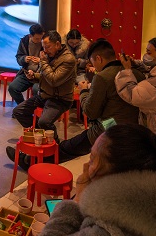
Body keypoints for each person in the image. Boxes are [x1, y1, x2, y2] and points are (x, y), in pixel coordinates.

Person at [7, 38, 142, 171]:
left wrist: (83, 91)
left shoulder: (101, 76)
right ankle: (36, 149)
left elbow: (90, 112)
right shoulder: (134, 73)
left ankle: (28, 161)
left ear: (99, 59)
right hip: (132, 127)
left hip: (108, 125)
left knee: (67, 146)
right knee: (21, 111)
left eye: (93, 62)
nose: (94, 67)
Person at [7, 29, 76, 154]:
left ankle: (56, 148)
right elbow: (45, 76)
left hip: (60, 99)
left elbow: (54, 80)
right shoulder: (50, 55)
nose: (45, 50)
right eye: (43, 47)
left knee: (44, 121)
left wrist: (43, 62)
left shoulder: (68, 59)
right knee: (18, 111)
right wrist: (33, 76)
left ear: (57, 44)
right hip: (45, 95)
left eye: (48, 47)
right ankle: (41, 136)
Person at [115, 36, 156, 133]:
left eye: (149, 53)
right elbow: (152, 69)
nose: (146, 55)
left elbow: (132, 94)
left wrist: (127, 70)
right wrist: (135, 64)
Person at [7, 24, 44, 104]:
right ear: (30, 36)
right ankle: (23, 107)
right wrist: (24, 59)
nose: (39, 40)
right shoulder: (24, 42)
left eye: (41, 38)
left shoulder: (45, 42)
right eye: (37, 38)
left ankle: (35, 108)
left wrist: (40, 61)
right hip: (26, 73)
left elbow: (51, 61)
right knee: (12, 88)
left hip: (40, 75)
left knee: (36, 90)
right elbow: (18, 57)